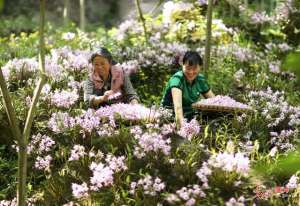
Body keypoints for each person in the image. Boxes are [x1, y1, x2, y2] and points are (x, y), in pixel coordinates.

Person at [161, 51, 215, 126]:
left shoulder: (200, 80)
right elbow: (178, 108)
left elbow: (214, 101)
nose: (191, 72)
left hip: (190, 115)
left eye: (195, 68)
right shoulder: (177, 79)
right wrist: (182, 130)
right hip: (171, 115)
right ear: (182, 65)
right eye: (188, 68)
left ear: (200, 67)